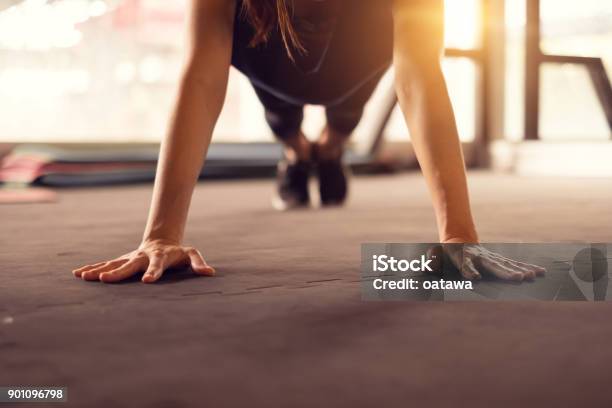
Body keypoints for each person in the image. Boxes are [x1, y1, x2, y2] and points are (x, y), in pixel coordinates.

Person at [73, 0, 546, 283]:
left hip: (355, 62)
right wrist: (160, 234)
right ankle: (298, 151)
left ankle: (330, 149)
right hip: (268, 54)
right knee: (283, 119)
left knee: (343, 118)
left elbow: (419, 79)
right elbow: (200, 78)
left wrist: (458, 236)